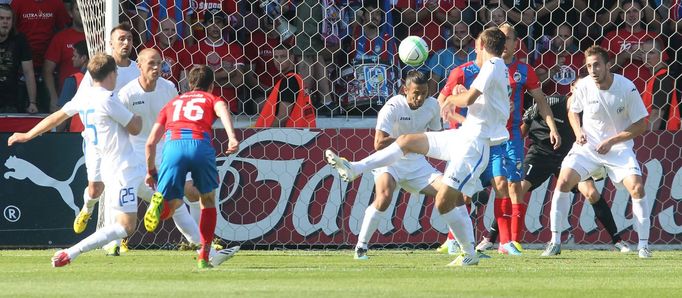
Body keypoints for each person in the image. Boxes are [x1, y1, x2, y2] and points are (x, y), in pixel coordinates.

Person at [326, 27, 510, 266]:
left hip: (474, 145)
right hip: (464, 136)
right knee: (407, 141)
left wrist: (451, 100)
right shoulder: (497, 68)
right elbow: (479, 102)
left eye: (476, 43)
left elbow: (467, 101)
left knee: (444, 201)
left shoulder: (493, 65)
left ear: (482, 46)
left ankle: (469, 254)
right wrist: (460, 95)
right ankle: (355, 168)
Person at [8, 53, 143, 267]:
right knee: (126, 226)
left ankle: (205, 248)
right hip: (123, 167)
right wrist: (138, 115)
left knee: (162, 193)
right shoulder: (109, 100)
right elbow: (135, 128)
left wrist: (27, 135)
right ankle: (71, 252)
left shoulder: (84, 98)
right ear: (112, 74)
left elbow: (57, 116)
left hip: (113, 165)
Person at [118, 49, 239, 266]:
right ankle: (204, 255)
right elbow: (222, 109)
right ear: (211, 86)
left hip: (171, 148)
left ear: (189, 85)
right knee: (207, 200)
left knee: (172, 205)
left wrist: (150, 171)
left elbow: (150, 142)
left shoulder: (173, 102)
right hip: (199, 145)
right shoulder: (211, 98)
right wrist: (231, 137)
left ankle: (159, 202)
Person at [477, 94, 633, 253]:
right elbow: (523, 129)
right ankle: (490, 238)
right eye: (580, 88)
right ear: (572, 89)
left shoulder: (589, 112)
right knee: (517, 189)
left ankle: (617, 240)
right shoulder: (550, 103)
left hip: (569, 156)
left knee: (591, 192)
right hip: (540, 155)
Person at [542, 45, 652, 258]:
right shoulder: (583, 85)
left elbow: (641, 125)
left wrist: (613, 140)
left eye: (597, 65)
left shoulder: (627, 88)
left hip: (618, 148)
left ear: (608, 65)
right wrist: (578, 132)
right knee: (564, 181)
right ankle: (555, 242)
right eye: (589, 66)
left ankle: (644, 246)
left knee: (637, 188)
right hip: (588, 148)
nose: (592, 70)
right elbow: (573, 111)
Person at [480, 23, 560, 255]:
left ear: (517, 43)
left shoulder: (523, 70)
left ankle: (512, 242)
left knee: (514, 185)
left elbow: (541, 101)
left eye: (510, 38)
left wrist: (553, 128)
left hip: (511, 135)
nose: (505, 43)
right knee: (486, 187)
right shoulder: (484, 68)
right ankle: (460, 239)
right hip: (485, 134)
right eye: (501, 38)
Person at [353, 70, 443, 259]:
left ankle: (462, 245)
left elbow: (437, 139)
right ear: (405, 90)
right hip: (389, 161)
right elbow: (378, 143)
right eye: (416, 93)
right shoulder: (393, 106)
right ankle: (361, 247)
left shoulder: (433, 106)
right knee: (384, 197)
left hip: (417, 163)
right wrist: (406, 141)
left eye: (424, 93)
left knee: (449, 192)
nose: (420, 98)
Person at [72, 23, 141, 256]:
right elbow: (81, 103)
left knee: (117, 185)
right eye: (121, 39)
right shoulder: (100, 70)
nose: (126, 43)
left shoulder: (136, 70)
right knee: (96, 189)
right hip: (96, 139)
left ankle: (116, 239)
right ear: (110, 43)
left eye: (129, 38)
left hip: (122, 137)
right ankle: (87, 207)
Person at [10, 0, 70, 112]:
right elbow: (10, 27)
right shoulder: (18, 2)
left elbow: (65, 28)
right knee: (19, 109)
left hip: (48, 63)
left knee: (48, 110)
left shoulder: (56, 3)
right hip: (21, 64)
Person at [254, 45, 316, 128]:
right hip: (300, 132)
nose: (279, 60)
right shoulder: (297, 79)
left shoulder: (289, 81)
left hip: (290, 135)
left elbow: (283, 116)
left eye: (283, 57)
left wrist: (265, 132)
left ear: (292, 58)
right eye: (276, 57)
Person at [43, 2, 85, 112]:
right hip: (66, 99)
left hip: (92, 98)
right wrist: (54, 98)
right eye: (78, 10)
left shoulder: (99, 37)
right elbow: (47, 71)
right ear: (70, 13)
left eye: (85, 10)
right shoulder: (61, 38)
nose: (82, 13)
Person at [0, 5, 37, 114]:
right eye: (1, 18)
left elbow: (28, 72)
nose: (5, 22)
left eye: (8, 19)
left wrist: (33, 102)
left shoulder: (20, 39)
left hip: (10, 100)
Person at [640, 38, 679, 131]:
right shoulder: (657, 77)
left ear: (661, 55)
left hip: (662, 138)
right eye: (643, 52)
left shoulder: (662, 78)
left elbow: (657, 114)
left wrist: (647, 139)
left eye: (651, 53)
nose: (646, 57)